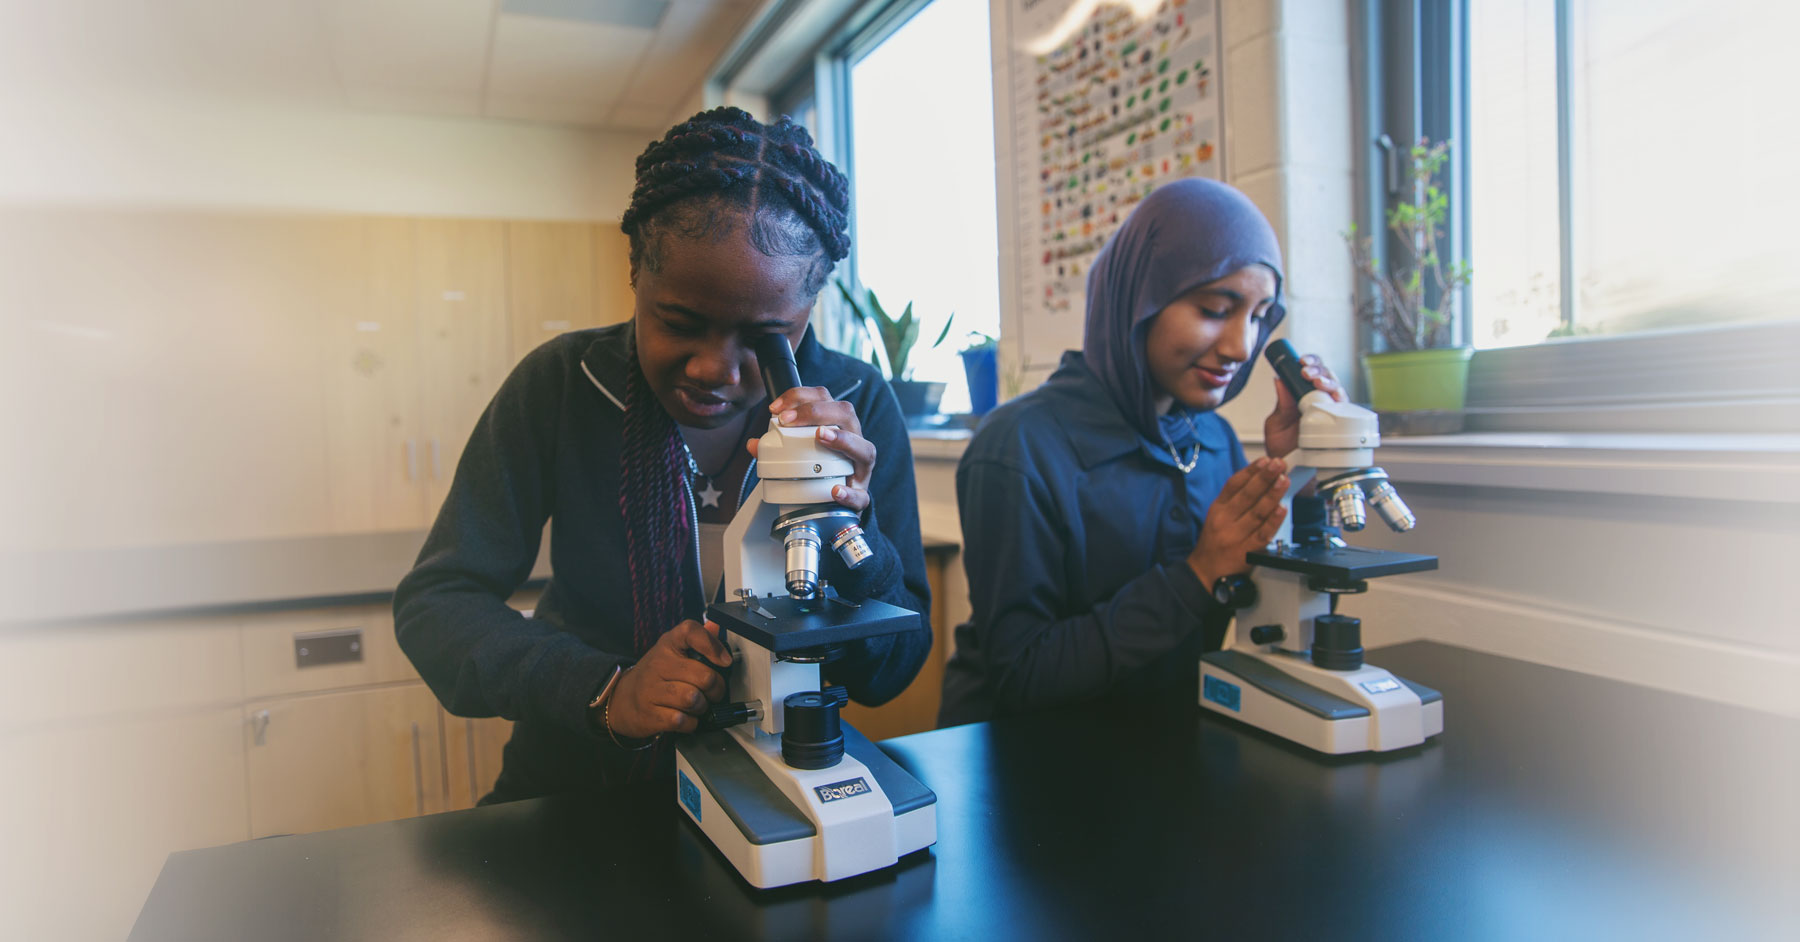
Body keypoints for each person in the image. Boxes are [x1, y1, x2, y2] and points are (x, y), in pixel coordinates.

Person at [396, 107, 932, 800]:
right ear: (635, 276)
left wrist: (855, 535)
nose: (712, 368)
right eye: (679, 322)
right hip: (579, 792)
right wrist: (604, 690)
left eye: (765, 337)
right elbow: (437, 603)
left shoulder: (858, 404)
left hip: (777, 786)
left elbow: (889, 674)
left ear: (808, 309)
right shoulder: (560, 386)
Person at [938, 178, 1344, 726]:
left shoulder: (1215, 441)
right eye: (1214, 308)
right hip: (1023, 767)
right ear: (1138, 300)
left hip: (1166, 748)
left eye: (1257, 316)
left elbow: (1263, 622)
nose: (1241, 346)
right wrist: (1196, 575)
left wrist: (1301, 479)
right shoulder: (1018, 447)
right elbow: (1022, 674)